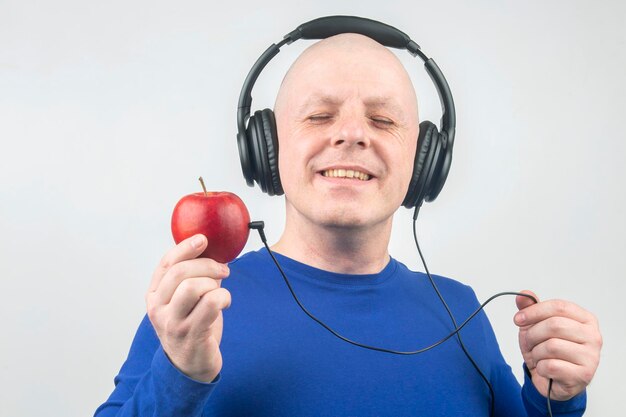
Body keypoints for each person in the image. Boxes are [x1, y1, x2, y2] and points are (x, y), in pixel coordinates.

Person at [94, 32, 602, 417]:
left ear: (423, 159)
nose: (353, 134)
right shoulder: (198, 303)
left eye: (383, 120)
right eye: (319, 116)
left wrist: (554, 394)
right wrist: (180, 372)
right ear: (267, 149)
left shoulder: (461, 309)